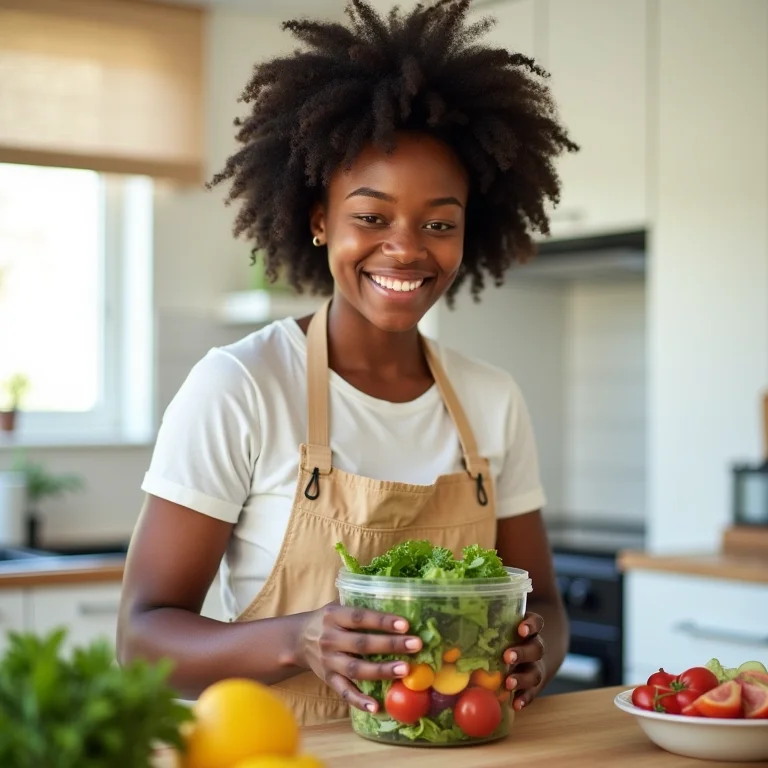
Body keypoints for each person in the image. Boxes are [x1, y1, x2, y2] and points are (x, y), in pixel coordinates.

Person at [117, 0, 577, 727]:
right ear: (319, 218)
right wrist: (295, 638)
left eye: (439, 223)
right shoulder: (240, 386)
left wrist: (534, 654)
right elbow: (141, 639)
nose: (406, 248)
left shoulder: (492, 398)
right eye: (371, 216)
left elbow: (544, 605)